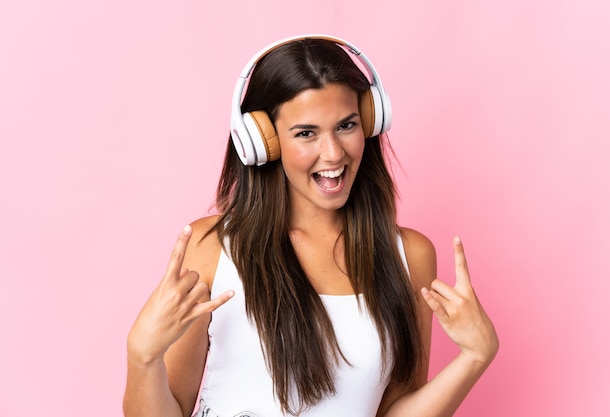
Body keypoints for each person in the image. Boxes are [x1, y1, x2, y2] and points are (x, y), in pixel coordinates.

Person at [123, 35, 499, 417]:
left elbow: (396, 410)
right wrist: (142, 356)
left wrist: (474, 357)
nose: (333, 153)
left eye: (346, 125)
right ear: (264, 141)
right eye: (306, 133)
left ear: (369, 122)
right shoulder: (212, 249)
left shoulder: (410, 257)